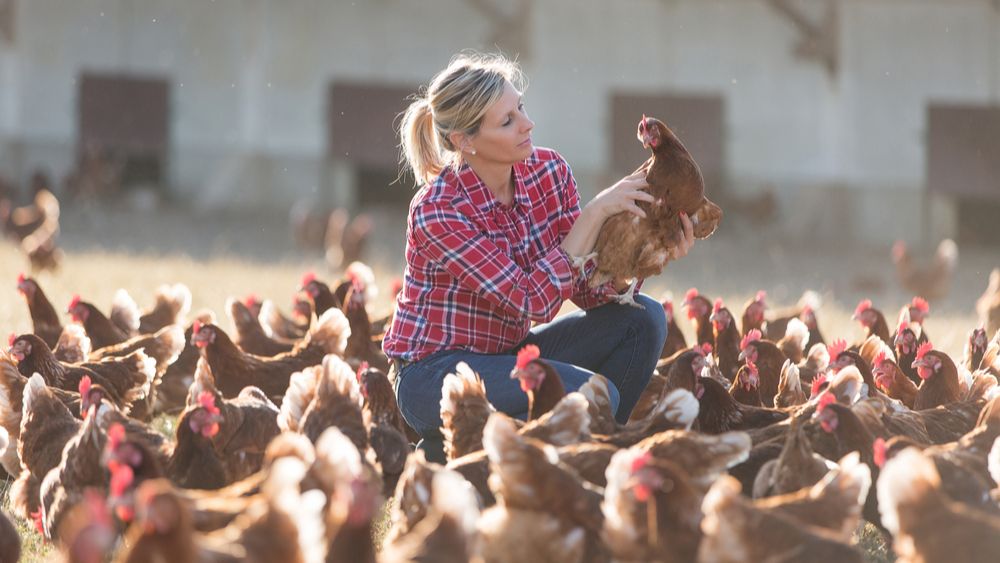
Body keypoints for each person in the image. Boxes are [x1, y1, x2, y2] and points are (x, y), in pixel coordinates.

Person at [383, 52, 695, 462]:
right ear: (465, 141)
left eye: (521, 108)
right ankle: (567, 455)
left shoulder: (549, 172)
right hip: (434, 374)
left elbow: (587, 291)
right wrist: (595, 213)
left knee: (644, 319)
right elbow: (531, 300)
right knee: (593, 394)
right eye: (507, 120)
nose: (527, 124)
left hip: (509, 354)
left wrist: (642, 256)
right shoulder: (439, 209)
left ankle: (570, 459)